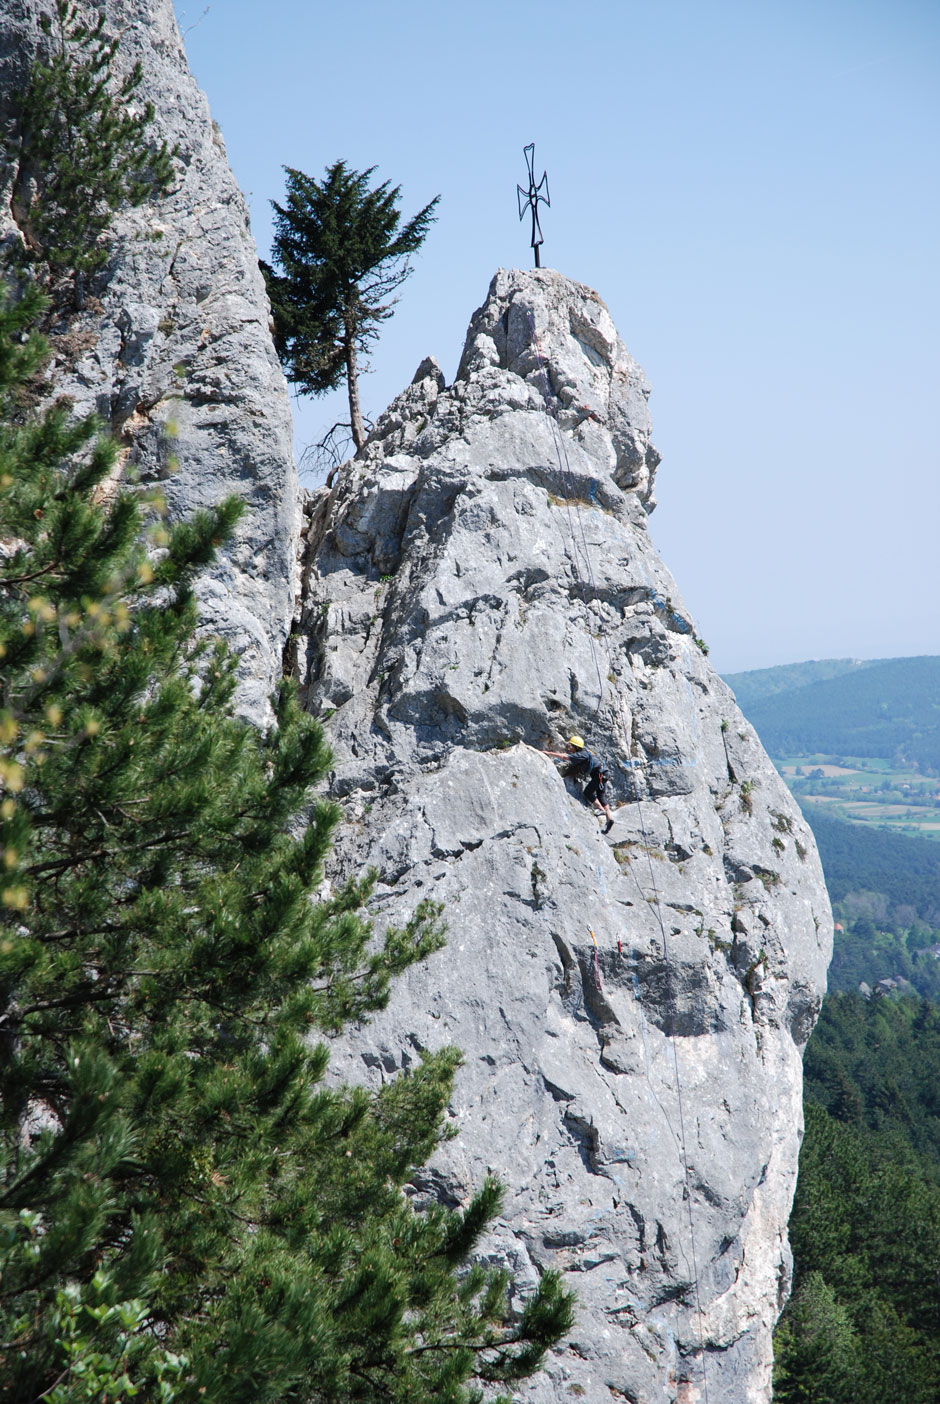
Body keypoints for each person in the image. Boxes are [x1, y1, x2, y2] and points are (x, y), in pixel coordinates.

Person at [543, 734, 614, 833]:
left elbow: (564, 757)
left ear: (576, 747)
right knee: (601, 797)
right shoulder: (584, 752)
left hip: (599, 775)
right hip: (602, 774)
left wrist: (548, 753)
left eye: (571, 746)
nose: (570, 748)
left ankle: (599, 809)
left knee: (588, 792)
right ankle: (609, 818)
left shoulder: (581, 754)